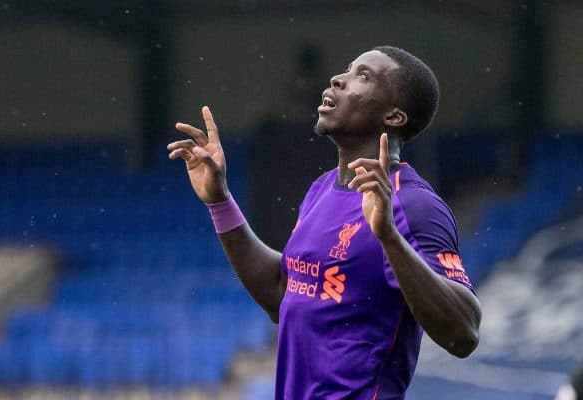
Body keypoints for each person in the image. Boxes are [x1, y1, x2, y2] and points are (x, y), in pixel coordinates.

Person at [167, 46, 482, 399]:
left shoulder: (414, 204)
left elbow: (464, 332)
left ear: (394, 116)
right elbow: (282, 292)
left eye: (363, 76)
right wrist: (220, 201)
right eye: (348, 70)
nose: (338, 79)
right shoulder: (321, 189)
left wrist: (389, 238)